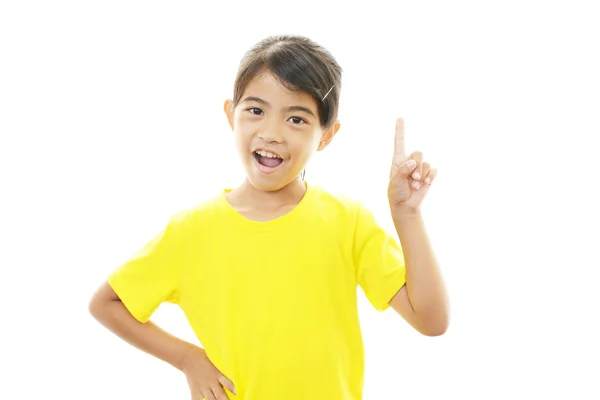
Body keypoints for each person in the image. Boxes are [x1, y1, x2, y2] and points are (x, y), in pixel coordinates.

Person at [88, 34, 449, 400]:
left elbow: (431, 321)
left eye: (296, 118)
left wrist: (407, 215)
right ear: (231, 114)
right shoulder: (192, 231)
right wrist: (187, 359)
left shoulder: (347, 221)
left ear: (326, 134)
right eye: (256, 110)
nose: (272, 134)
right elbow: (106, 304)